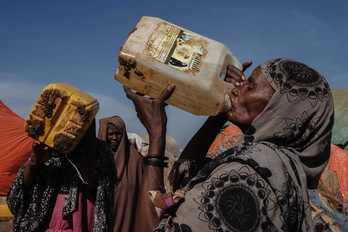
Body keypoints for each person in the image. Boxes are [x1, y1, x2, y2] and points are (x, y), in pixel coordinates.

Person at [124, 58, 334, 231]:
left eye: (249, 86)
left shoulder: (251, 172)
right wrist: (220, 111)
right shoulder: (281, 164)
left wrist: (157, 135)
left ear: (280, 110)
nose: (236, 89)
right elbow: (184, 178)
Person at [7, 119, 117, 232]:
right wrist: (33, 164)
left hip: (82, 223)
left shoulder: (100, 150)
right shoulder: (46, 148)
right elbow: (15, 202)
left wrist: (88, 143)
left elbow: (93, 183)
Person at [97, 116, 143, 232]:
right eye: (110, 134)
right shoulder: (95, 157)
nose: (114, 138)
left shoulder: (135, 160)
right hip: (98, 214)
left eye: (118, 134)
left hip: (123, 216)